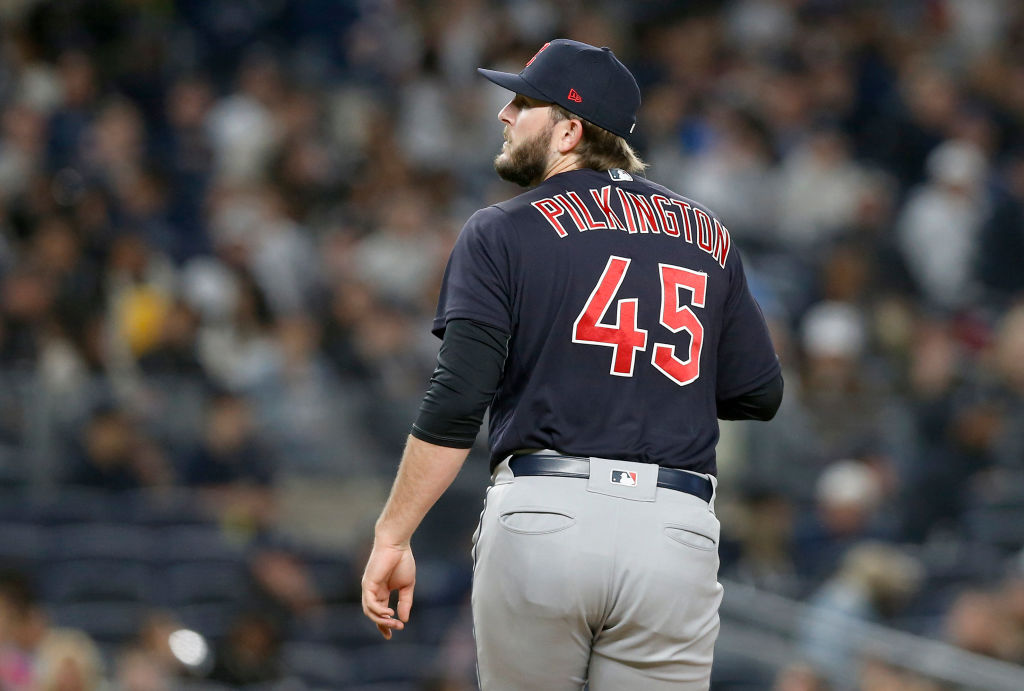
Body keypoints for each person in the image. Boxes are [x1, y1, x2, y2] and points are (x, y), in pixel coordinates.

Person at [361, 38, 783, 690]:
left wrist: (393, 533)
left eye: (523, 102)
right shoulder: (707, 232)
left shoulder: (501, 229)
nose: (504, 114)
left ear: (569, 130)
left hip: (545, 514)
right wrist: (643, 378)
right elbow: (760, 391)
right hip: (675, 528)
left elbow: (457, 396)